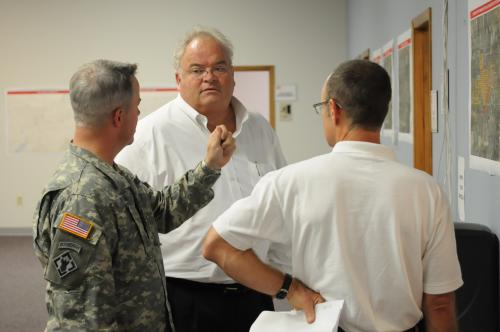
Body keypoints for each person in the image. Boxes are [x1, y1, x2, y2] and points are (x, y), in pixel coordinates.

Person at [203, 59, 463, 332]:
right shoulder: (427, 191)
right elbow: (440, 303)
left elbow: (215, 245)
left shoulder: (289, 183)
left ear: (334, 110)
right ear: (382, 112)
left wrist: (289, 290)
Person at [33, 59, 236, 331]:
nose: (139, 115)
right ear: (119, 116)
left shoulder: (112, 176)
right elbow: (82, 320)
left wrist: (210, 167)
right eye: (137, 107)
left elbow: (162, 212)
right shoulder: (83, 198)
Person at [115, 27, 287, 332]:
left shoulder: (259, 127)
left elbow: (280, 200)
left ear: (233, 75)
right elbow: (122, 218)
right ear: (179, 79)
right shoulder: (149, 134)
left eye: (219, 67)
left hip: (256, 292)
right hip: (186, 297)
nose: (209, 76)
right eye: (197, 69)